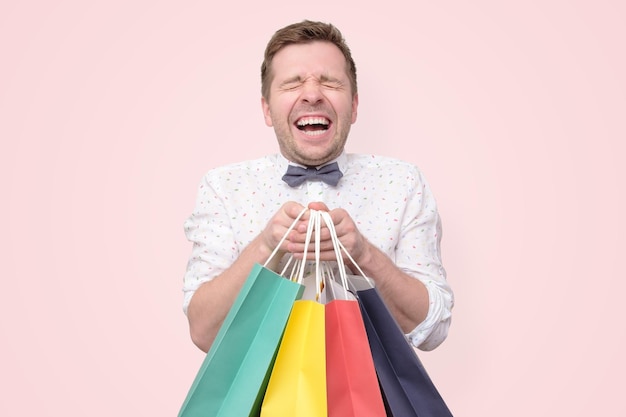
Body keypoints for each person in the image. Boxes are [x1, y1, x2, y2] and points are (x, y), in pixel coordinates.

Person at [182, 20, 453, 353]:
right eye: (293, 83)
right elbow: (203, 332)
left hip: (372, 404)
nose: (311, 94)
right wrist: (267, 247)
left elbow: (433, 330)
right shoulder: (224, 187)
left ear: (353, 106)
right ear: (267, 110)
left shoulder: (403, 182)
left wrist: (364, 256)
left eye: (330, 82)